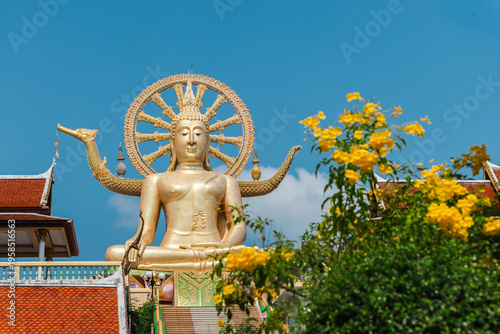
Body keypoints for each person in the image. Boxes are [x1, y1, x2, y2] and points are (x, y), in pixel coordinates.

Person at [104, 78, 246, 271]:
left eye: (198, 134)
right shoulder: (155, 181)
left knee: (260, 256)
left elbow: (238, 226)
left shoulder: (226, 181)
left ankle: (201, 261)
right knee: (114, 253)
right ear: (172, 142)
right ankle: (199, 262)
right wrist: (136, 242)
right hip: (172, 250)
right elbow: (147, 230)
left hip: (216, 250)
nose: (191, 141)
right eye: (184, 133)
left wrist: (226, 246)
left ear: (208, 141)